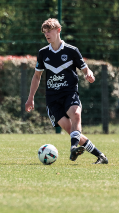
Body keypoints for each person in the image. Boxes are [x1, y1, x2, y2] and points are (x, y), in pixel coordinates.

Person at [25, 18, 108, 164]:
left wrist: (89, 74)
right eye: (45, 32)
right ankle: (101, 156)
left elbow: (85, 68)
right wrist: (30, 97)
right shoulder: (43, 53)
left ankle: (73, 149)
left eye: (49, 31)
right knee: (72, 131)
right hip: (52, 99)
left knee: (76, 114)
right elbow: (37, 76)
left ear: (58, 31)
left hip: (69, 93)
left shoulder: (72, 51)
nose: (47, 35)